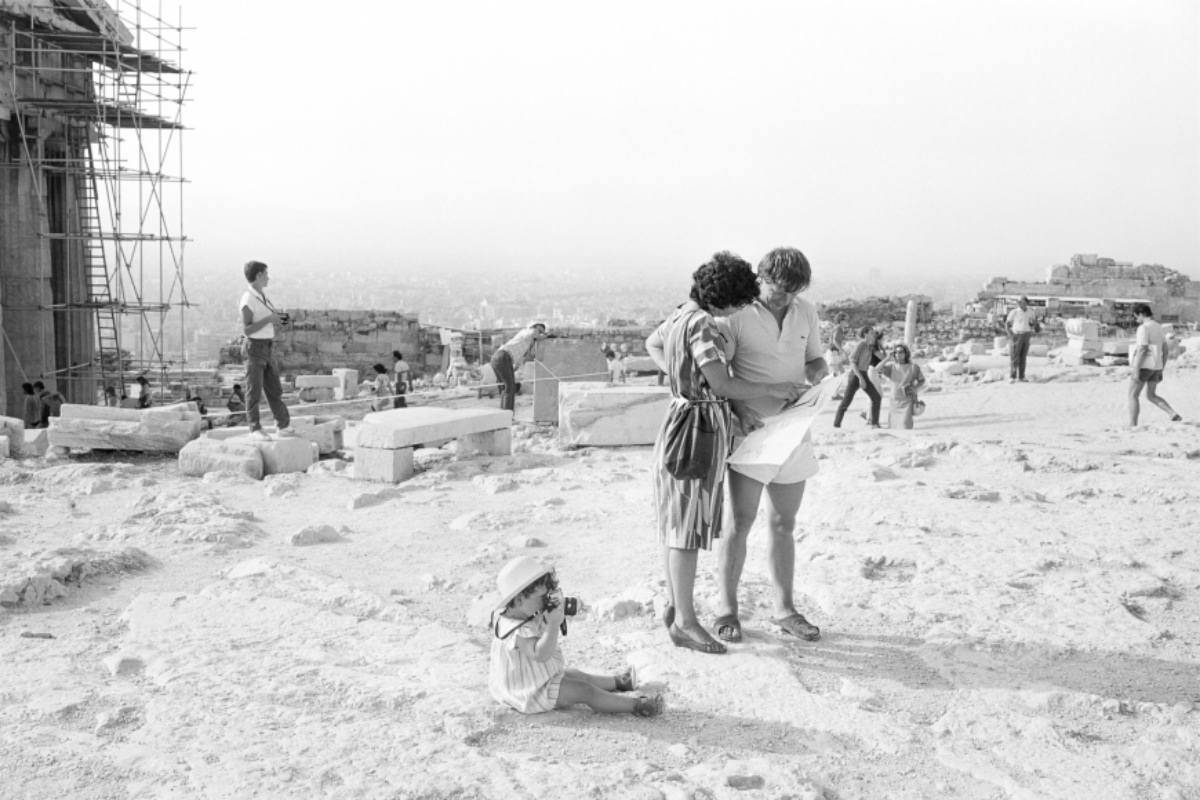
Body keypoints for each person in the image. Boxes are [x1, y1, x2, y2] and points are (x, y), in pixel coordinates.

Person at [647, 252, 803, 655]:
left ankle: (676, 605)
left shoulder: (681, 313)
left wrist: (680, 380)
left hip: (681, 419)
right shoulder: (702, 323)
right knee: (687, 527)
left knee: (676, 523)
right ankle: (686, 622)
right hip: (697, 429)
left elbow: (653, 342)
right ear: (728, 297)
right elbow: (723, 383)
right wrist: (769, 390)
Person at [489, 556, 662, 717]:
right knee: (585, 690)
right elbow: (540, 654)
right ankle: (635, 705)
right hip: (530, 691)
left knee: (576, 675)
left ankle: (618, 682)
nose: (546, 602)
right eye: (542, 598)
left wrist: (565, 606)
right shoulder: (516, 630)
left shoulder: (523, 611)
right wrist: (553, 624)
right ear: (519, 600)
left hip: (538, 679)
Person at [239, 260, 294, 440]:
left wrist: (281, 319)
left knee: (274, 389)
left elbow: (271, 318)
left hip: (268, 346)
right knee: (254, 391)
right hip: (254, 347)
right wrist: (270, 319)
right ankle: (254, 428)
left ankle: (282, 424)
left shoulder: (262, 295)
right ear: (259, 275)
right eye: (266, 274)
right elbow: (246, 329)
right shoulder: (248, 299)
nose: (268, 277)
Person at [1128, 303, 1182, 427]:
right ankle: (1173, 414)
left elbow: (1142, 349)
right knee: (1151, 395)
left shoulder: (1144, 328)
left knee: (1133, 395)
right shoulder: (1159, 327)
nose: (1136, 320)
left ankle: (1132, 425)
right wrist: (1161, 369)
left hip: (1145, 366)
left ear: (1141, 314)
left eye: (1136, 317)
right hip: (1157, 366)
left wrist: (1136, 370)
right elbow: (1165, 350)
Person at [490, 322, 549, 412]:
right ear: (534, 327)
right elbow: (533, 332)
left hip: (499, 358)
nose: (540, 332)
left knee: (505, 388)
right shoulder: (527, 331)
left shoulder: (525, 343)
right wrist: (544, 335)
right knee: (509, 387)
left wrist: (510, 372)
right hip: (503, 356)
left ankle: (503, 414)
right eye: (539, 330)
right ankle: (508, 414)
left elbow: (518, 364)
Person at [832, 327, 883, 429]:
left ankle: (875, 424)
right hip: (856, 375)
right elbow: (852, 362)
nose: (873, 334)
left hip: (864, 374)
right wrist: (860, 378)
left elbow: (881, 358)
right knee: (846, 401)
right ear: (865, 334)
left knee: (876, 397)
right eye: (871, 332)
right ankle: (836, 425)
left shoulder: (869, 346)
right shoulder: (861, 345)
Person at [877, 343, 927, 429]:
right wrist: (887, 358)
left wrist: (915, 389)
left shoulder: (913, 367)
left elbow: (921, 380)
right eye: (895, 352)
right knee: (893, 427)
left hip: (907, 400)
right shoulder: (891, 367)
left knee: (905, 426)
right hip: (894, 401)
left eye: (901, 352)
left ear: (906, 353)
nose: (898, 354)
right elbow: (877, 369)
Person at [1005, 296, 1037, 382]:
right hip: (1017, 335)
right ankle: (1012, 376)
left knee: (1023, 357)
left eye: (1021, 302)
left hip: (1026, 335)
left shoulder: (1030, 312)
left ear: (1026, 303)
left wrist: (1033, 324)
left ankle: (1021, 376)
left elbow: (1033, 323)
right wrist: (1011, 335)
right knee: (1015, 356)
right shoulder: (1014, 312)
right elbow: (1007, 324)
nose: (1019, 303)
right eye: (1019, 302)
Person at [825, 312, 850, 377]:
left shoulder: (839, 328)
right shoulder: (838, 328)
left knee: (840, 373)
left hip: (834, 352)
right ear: (841, 320)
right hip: (833, 353)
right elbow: (835, 341)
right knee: (837, 374)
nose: (847, 321)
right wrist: (842, 350)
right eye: (846, 320)